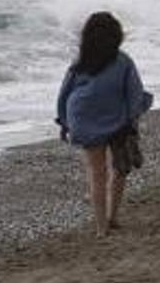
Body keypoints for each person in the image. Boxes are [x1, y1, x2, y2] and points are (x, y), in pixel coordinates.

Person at [56, 12, 153, 238]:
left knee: (96, 174)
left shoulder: (80, 63)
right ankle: (113, 217)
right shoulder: (123, 61)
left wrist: (63, 121)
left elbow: (64, 94)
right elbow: (134, 93)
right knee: (119, 169)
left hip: (83, 118)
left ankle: (101, 228)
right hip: (117, 119)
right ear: (116, 36)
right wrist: (132, 120)